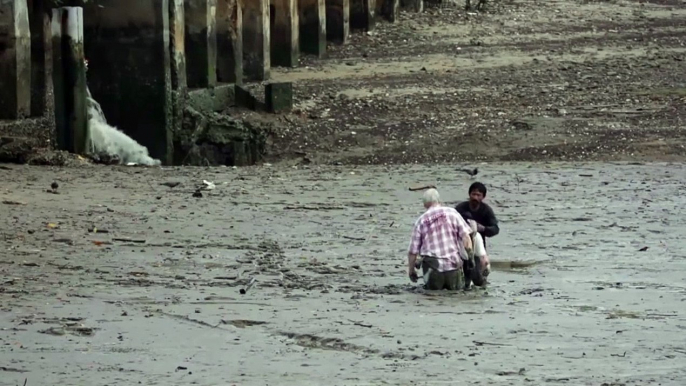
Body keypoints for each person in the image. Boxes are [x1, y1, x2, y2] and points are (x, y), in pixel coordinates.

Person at [407, 188, 473, 290]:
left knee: (433, 297)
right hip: (453, 266)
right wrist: (470, 257)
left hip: (432, 268)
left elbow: (412, 251)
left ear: (424, 204)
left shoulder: (420, 221)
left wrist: (411, 270)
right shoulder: (453, 213)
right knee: (454, 296)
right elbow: (466, 237)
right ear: (439, 201)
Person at [455, 182, 499, 286]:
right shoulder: (460, 209)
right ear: (469, 194)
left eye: (478, 195)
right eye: (473, 194)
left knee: (479, 280)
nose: (475, 197)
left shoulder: (486, 211)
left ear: (483, 197)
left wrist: (483, 229)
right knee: (463, 281)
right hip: (461, 248)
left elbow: (495, 229)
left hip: (478, 249)